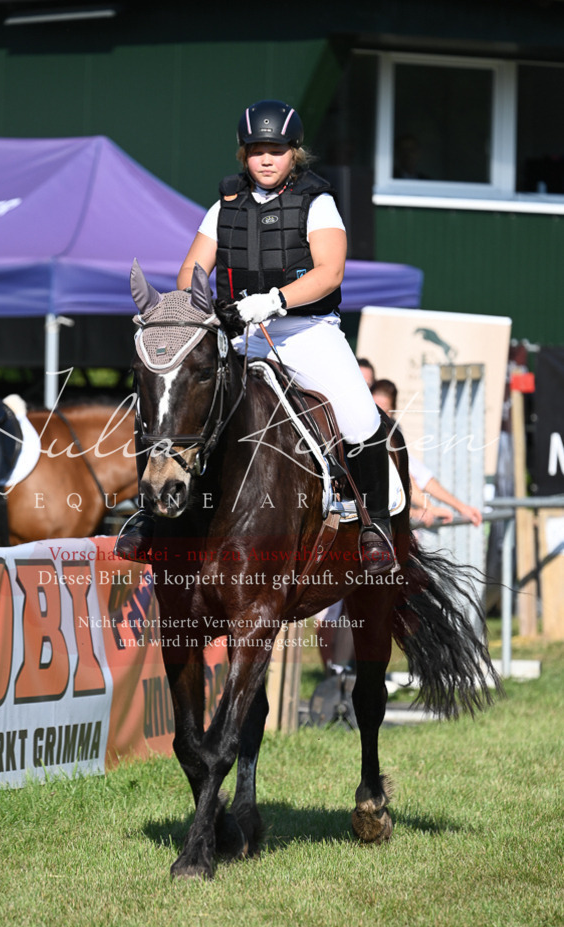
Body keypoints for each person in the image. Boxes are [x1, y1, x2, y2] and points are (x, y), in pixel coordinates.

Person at [117, 99, 396, 573]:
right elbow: (192, 267)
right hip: (240, 329)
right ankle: (148, 513)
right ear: (243, 153)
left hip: (306, 330)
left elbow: (330, 273)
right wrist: (191, 305)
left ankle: (377, 527)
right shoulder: (224, 204)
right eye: (255, 150)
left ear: (295, 152)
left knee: (360, 416)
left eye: (276, 149)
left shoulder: (318, 201)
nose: (266, 159)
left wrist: (275, 300)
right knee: (174, 391)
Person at [370, 378, 483, 527]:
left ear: (392, 414)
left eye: (384, 413)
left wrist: (462, 508)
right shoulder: (356, 440)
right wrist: (425, 509)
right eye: (375, 410)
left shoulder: (389, 439)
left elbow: (419, 475)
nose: (379, 418)